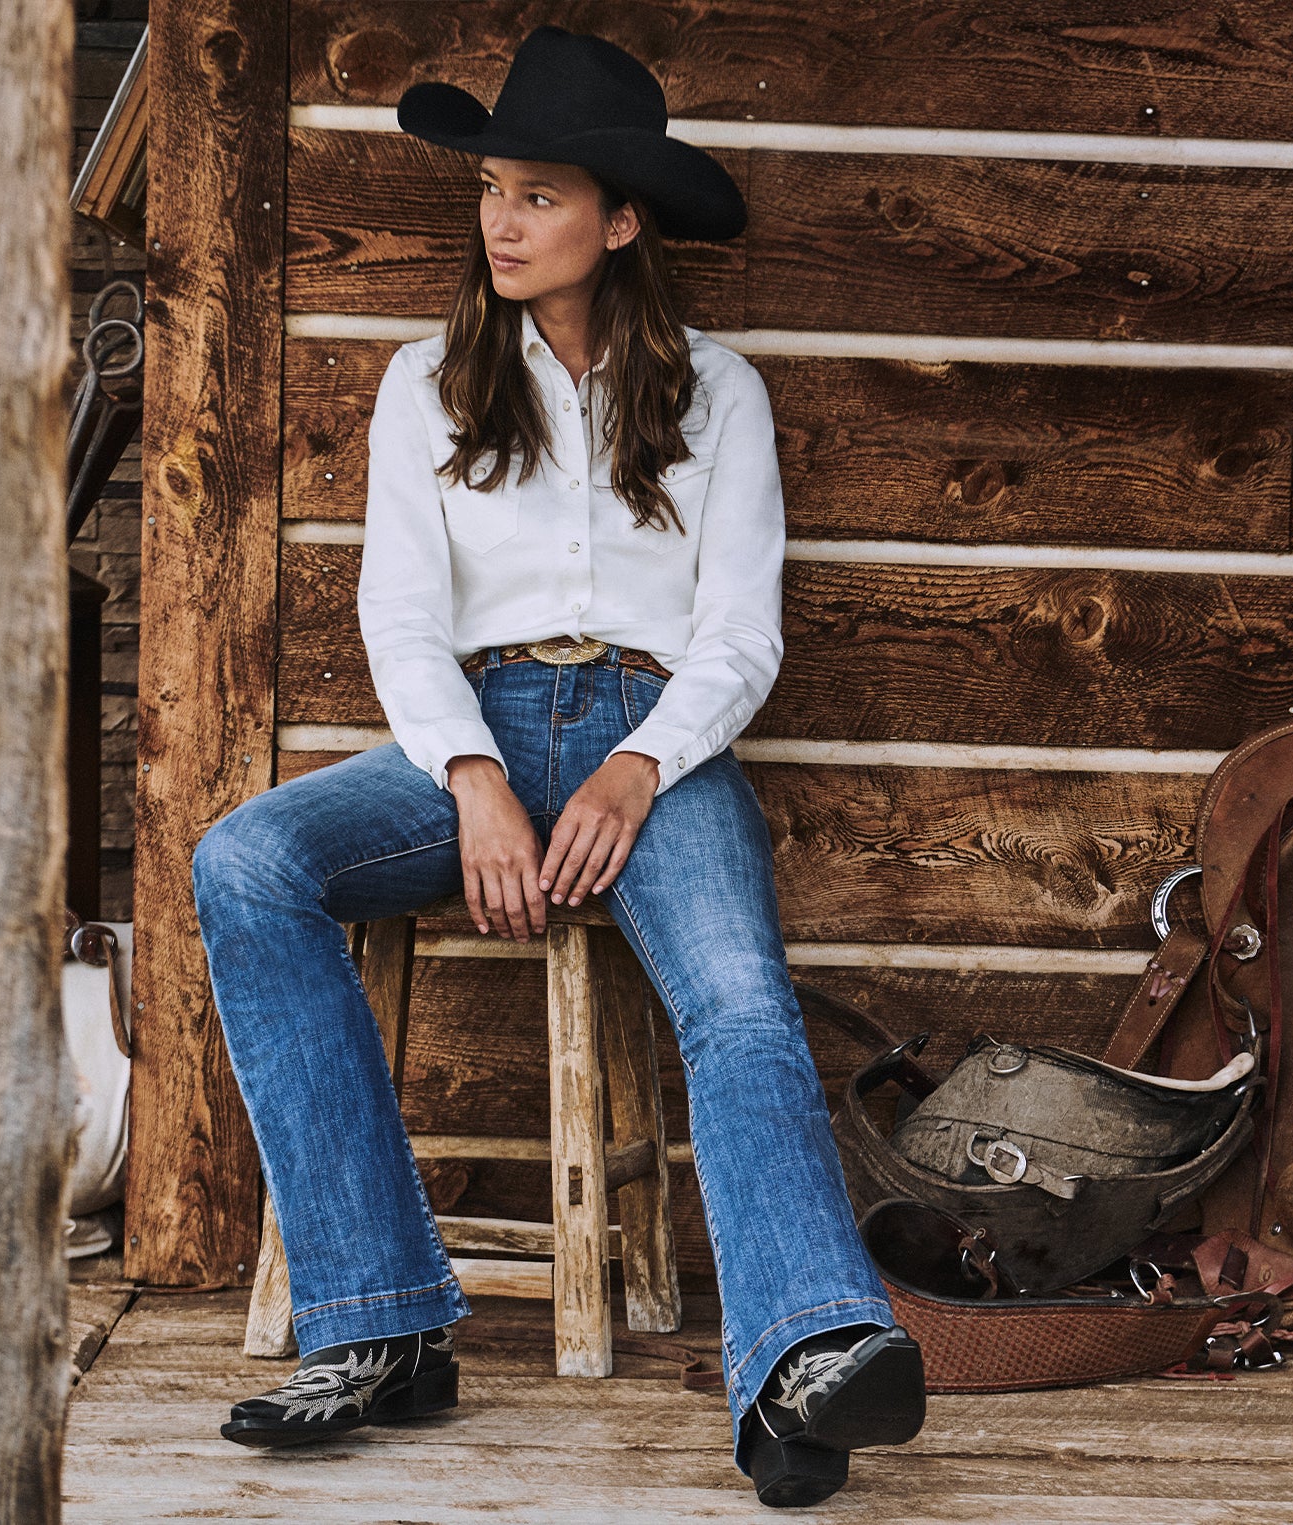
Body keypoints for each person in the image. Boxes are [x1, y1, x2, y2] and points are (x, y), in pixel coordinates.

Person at [189, 25, 926, 1510]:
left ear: (622, 217)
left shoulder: (718, 395)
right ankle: (384, 1325)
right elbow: (396, 613)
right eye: (491, 194)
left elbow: (739, 637)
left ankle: (804, 1354)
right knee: (246, 860)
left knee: (733, 1001)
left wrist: (638, 769)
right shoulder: (426, 384)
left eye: (536, 195)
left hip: (663, 741)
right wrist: (468, 772)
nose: (500, 221)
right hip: (475, 724)